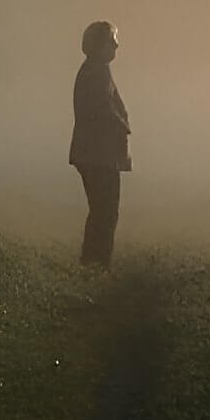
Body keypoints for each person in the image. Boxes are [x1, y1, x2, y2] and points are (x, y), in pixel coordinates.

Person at [69, 21, 130, 267]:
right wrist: (122, 126)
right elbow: (103, 110)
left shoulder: (95, 70)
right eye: (110, 43)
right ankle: (96, 263)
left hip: (95, 152)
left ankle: (93, 261)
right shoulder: (96, 72)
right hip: (97, 153)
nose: (115, 47)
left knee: (102, 210)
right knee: (105, 210)